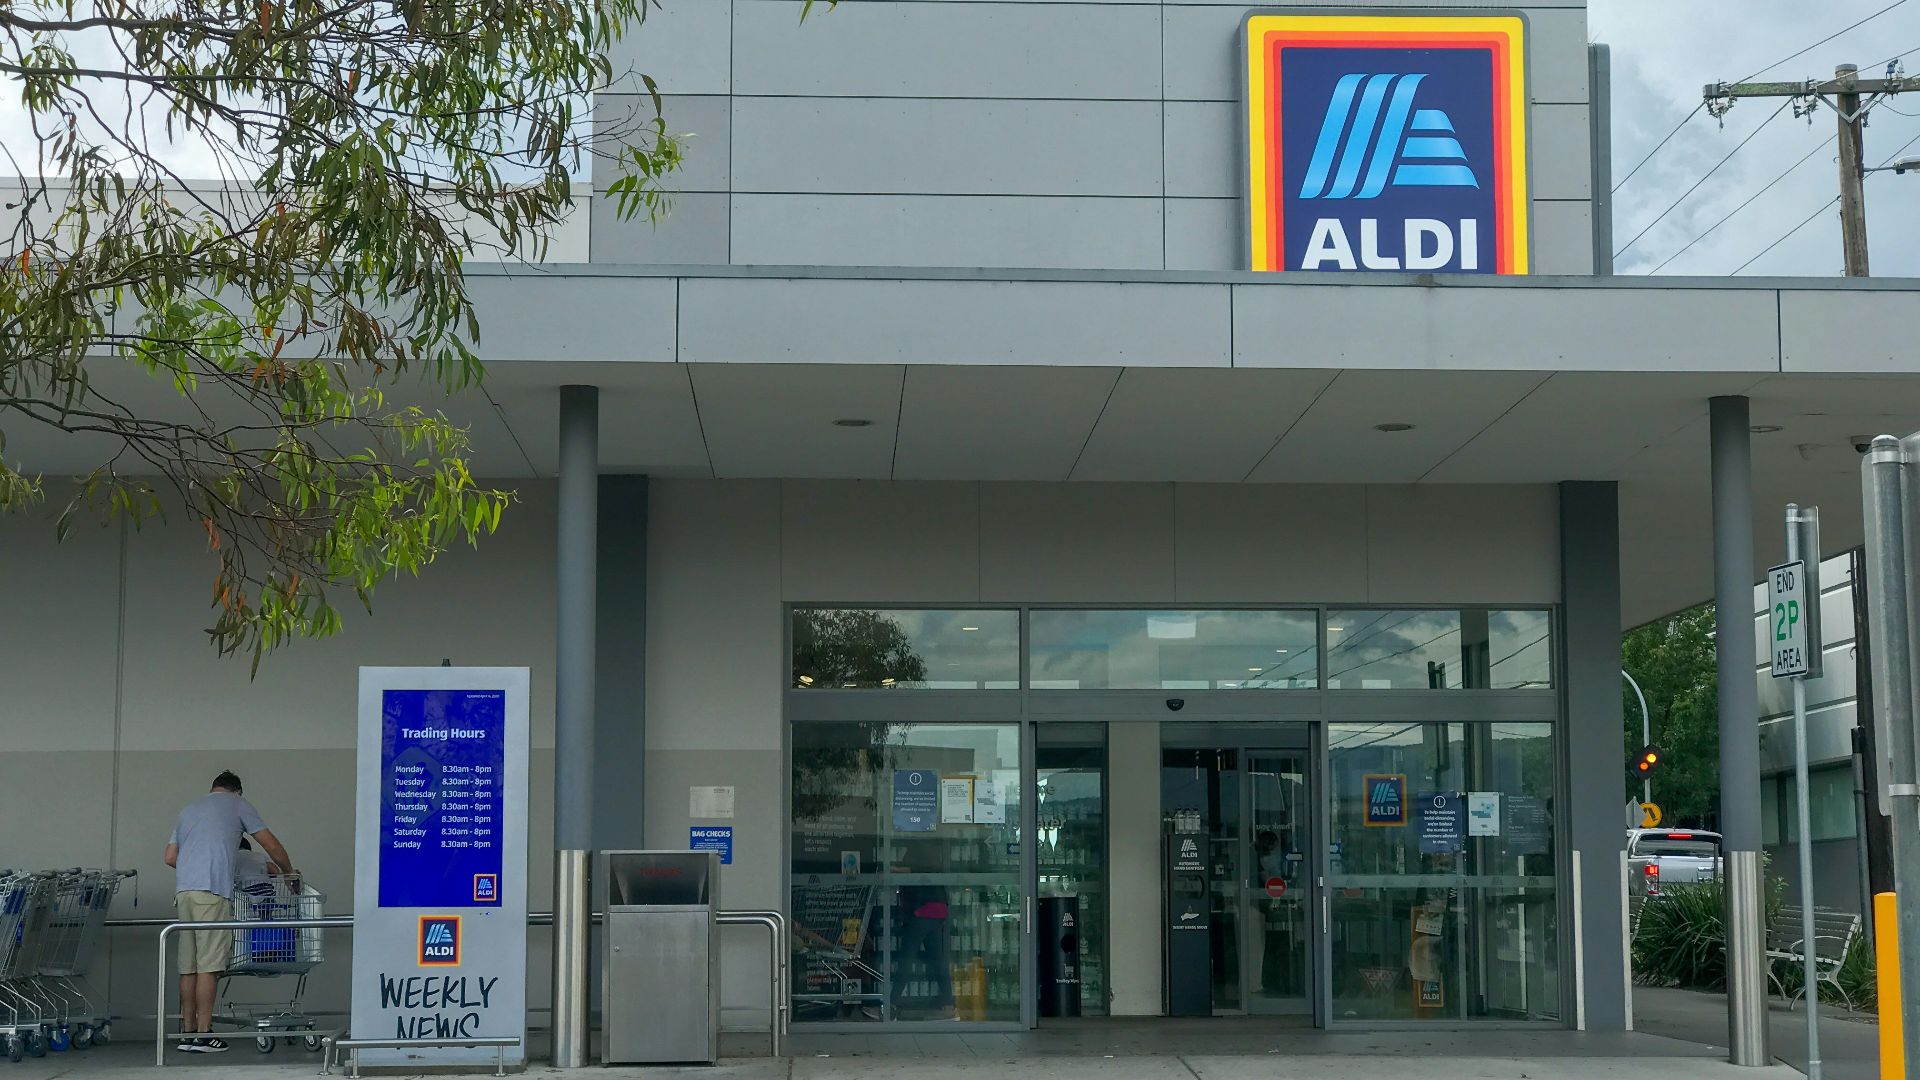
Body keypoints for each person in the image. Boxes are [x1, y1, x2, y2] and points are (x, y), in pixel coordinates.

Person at [163, 771, 295, 1053]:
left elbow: (170, 857)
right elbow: (271, 845)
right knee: (209, 966)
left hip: (184, 892)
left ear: (213, 788)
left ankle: (186, 1034)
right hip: (211, 893)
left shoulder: (189, 809)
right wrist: (288, 872)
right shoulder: (237, 805)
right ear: (237, 791)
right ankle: (204, 1035)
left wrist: (195, 871)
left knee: (189, 967)